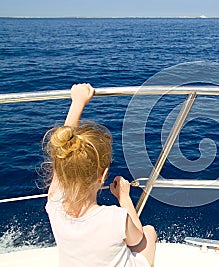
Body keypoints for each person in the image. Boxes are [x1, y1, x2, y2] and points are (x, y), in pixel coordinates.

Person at [44, 83, 157, 267]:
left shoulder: (54, 202)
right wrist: (124, 198)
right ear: (103, 175)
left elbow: (61, 153)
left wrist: (77, 104)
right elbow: (137, 239)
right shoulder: (115, 217)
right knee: (149, 233)